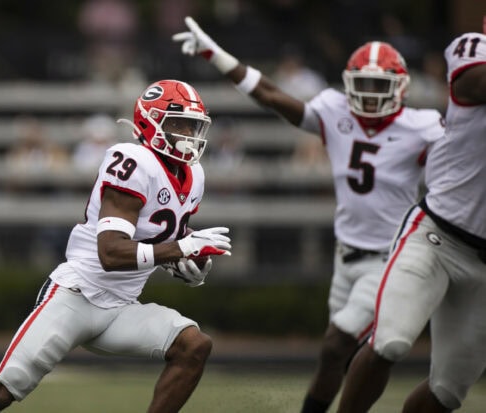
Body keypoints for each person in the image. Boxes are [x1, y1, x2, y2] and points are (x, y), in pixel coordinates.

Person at [172, 17, 444, 413]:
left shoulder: (421, 126)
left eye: (378, 86)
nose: (368, 96)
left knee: (339, 342)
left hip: (390, 259)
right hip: (346, 254)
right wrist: (216, 54)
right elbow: (269, 94)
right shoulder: (334, 109)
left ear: (400, 88)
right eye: (362, 85)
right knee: (334, 356)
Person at [0, 79, 232, 413]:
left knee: (193, 346)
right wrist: (179, 249)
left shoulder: (194, 175)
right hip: (76, 296)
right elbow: (110, 252)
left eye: (193, 126)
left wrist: (184, 261)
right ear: (149, 122)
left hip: (122, 307)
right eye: (178, 124)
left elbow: (160, 235)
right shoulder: (133, 159)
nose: (187, 135)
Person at [335, 28, 486, 413]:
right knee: (391, 342)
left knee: (447, 392)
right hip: (437, 237)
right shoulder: (473, 51)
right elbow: (473, 81)